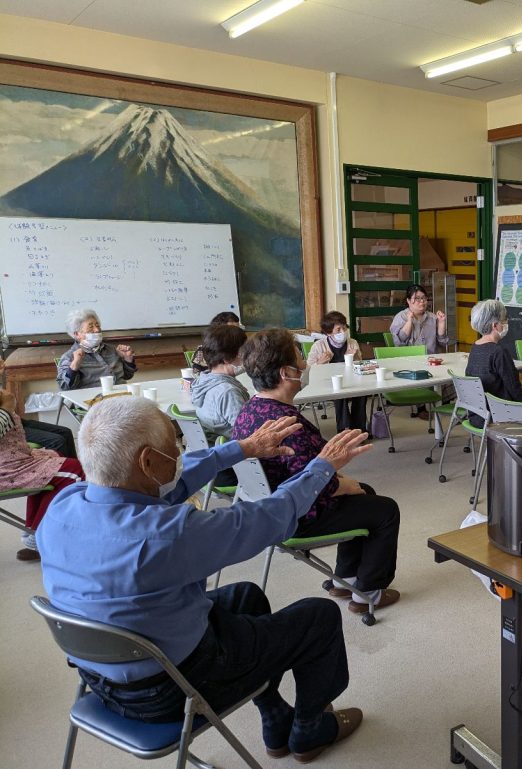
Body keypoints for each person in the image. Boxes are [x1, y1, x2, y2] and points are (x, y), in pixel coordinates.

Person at [37, 396, 369, 763]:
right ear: (147, 461)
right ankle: (311, 730)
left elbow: (164, 489)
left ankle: (275, 717)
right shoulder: (167, 535)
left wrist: (242, 449)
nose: (179, 454)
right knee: (318, 617)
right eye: (174, 447)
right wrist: (321, 467)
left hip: (102, 677)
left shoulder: (63, 506)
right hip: (170, 689)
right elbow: (271, 517)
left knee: (246, 596)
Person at [232, 329, 401, 612]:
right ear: (286, 372)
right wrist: (344, 485)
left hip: (268, 505)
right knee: (385, 510)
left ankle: (345, 579)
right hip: (296, 514)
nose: (305, 365)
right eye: (300, 357)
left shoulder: (251, 410)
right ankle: (368, 593)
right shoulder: (287, 424)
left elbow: (308, 469)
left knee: (364, 495)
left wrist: (342, 481)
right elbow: (313, 482)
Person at [0, 388, 85, 561]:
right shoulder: (4, 413)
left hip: (14, 462)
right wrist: (6, 410)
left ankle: (33, 530)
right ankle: (41, 534)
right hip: (8, 471)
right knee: (77, 471)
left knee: (56, 457)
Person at [465, 299, 522, 427]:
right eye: (504, 320)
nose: (507, 323)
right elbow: (513, 387)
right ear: (495, 326)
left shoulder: (475, 347)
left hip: (477, 415)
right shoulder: (499, 352)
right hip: (497, 415)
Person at [307, 311, 367, 433]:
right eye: (338, 329)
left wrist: (352, 358)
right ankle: (344, 429)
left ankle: (359, 428)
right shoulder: (319, 346)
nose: (343, 332)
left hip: (351, 381)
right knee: (339, 392)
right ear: (329, 332)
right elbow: (307, 370)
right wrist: (319, 363)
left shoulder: (352, 343)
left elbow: (359, 366)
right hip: (327, 383)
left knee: (362, 392)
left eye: (344, 328)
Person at [190, 323, 250, 438]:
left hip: (215, 448)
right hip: (234, 451)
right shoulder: (228, 392)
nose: (247, 355)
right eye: (244, 351)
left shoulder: (203, 380)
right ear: (227, 358)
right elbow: (246, 433)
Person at [56, 308, 137, 390]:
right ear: (77, 334)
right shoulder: (69, 357)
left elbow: (127, 376)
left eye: (98, 325)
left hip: (121, 395)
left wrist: (128, 360)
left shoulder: (112, 349)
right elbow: (64, 388)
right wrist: (74, 366)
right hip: (92, 400)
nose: (97, 330)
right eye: (91, 327)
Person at [389, 283, 448, 353]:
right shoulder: (401, 317)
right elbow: (398, 343)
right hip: (408, 360)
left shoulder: (433, 318)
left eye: (424, 298)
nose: (422, 301)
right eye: (417, 298)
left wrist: (441, 323)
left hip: (430, 360)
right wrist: (409, 322)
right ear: (408, 301)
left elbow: (443, 343)